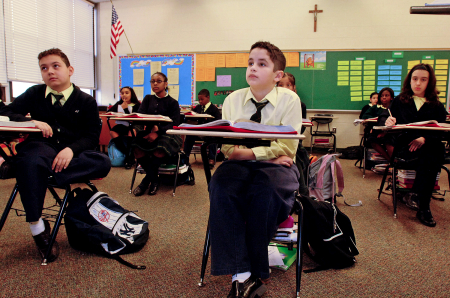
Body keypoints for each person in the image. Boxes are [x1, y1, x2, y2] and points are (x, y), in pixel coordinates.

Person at [0, 48, 111, 262]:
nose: (50, 71)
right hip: (42, 147)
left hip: (73, 152)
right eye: (44, 68)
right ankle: (37, 227)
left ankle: (25, 169)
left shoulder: (86, 101)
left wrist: (71, 150)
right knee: (33, 159)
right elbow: (5, 113)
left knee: (102, 162)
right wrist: (31, 122)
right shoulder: (34, 93)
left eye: (55, 66)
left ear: (70, 70)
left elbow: (91, 137)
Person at [209, 41, 301, 297]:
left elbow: (287, 148)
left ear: (277, 75)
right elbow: (229, 149)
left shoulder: (290, 99)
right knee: (221, 186)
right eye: (250, 63)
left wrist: (251, 154)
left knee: (265, 190)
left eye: (262, 64)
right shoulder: (233, 99)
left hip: (278, 168)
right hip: (240, 164)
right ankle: (243, 275)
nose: (253, 68)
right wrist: (262, 155)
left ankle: (255, 271)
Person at [378, 63, 447, 227]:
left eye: (423, 80)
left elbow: (442, 129)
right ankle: (420, 199)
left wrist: (424, 138)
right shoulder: (399, 101)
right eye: (415, 79)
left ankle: (423, 206)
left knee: (433, 150)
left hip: (427, 147)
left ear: (429, 82)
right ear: (409, 81)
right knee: (433, 154)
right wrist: (387, 120)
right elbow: (382, 118)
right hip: (405, 149)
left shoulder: (436, 104)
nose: (418, 83)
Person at [131, 72, 182, 196]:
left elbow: (174, 124)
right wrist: (148, 130)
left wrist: (157, 132)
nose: (155, 83)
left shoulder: (172, 102)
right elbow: (141, 116)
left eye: (159, 81)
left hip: (169, 134)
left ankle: (145, 182)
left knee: (160, 148)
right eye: (152, 81)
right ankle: (154, 179)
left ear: (165, 83)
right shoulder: (148, 99)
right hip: (148, 132)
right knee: (136, 147)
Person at [276, 72, 309, 197]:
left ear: (294, 88)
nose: (284, 88)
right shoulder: (272, 104)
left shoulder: (300, 105)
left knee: (297, 158)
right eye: (280, 85)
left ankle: (303, 192)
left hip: (294, 141)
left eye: (288, 85)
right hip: (275, 140)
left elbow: (301, 128)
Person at [183, 89, 221, 168]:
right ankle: (185, 158)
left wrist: (208, 119)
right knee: (190, 135)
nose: (200, 101)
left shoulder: (214, 109)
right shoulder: (198, 108)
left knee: (213, 137)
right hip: (199, 131)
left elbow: (218, 121)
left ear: (208, 97)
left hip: (209, 132)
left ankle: (211, 159)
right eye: (199, 99)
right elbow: (193, 115)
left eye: (202, 99)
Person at [107, 86, 141, 168]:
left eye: (126, 93)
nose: (124, 95)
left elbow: (134, 120)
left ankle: (129, 159)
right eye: (122, 93)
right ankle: (128, 155)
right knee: (112, 132)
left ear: (131, 94)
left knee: (131, 132)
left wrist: (125, 109)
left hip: (135, 125)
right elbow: (109, 112)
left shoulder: (137, 105)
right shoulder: (119, 103)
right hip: (123, 125)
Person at [362, 87, 394, 161]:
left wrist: (385, 132)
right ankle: (389, 160)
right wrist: (378, 118)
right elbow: (365, 116)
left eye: (386, 95)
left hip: (391, 131)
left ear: (391, 97)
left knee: (388, 140)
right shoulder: (376, 107)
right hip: (378, 129)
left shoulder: (394, 107)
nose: (384, 97)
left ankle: (394, 161)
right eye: (382, 96)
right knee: (371, 139)